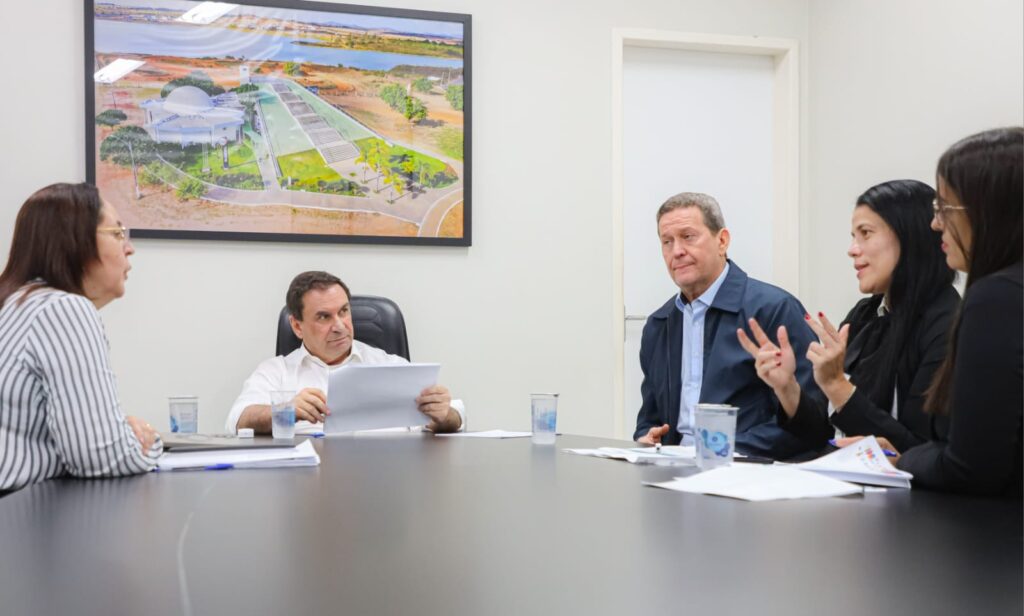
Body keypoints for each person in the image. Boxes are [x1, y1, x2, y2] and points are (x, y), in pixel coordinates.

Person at [737, 180, 958, 452]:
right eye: (854, 236)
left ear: (910, 236)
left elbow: (921, 450)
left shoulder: (948, 324)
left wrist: (836, 385)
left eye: (865, 233)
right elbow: (824, 433)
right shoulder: (866, 313)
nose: (852, 249)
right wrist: (787, 387)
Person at [878, 127, 1021, 496]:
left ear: (991, 211)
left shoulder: (998, 299)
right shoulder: (867, 316)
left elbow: (972, 465)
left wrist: (901, 462)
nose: (936, 223)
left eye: (945, 208)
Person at [0, 183, 160, 494]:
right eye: (117, 233)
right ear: (76, 242)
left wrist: (116, 431)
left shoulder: (16, 303)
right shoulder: (62, 309)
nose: (129, 248)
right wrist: (149, 440)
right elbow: (102, 458)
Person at [633, 192, 818, 459]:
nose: (677, 251)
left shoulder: (775, 309)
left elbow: (811, 422)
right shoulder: (659, 324)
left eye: (688, 236)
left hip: (748, 467)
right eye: (667, 242)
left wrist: (718, 451)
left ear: (722, 241)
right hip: (673, 466)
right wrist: (646, 437)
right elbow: (649, 418)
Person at [227, 271, 464, 434]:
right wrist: (283, 411)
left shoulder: (389, 365)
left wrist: (444, 416)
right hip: (308, 483)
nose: (340, 325)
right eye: (324, 317)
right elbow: (236, 420)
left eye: (343, 311)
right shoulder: (277, 371)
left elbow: (455, 417)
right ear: (297, 326)